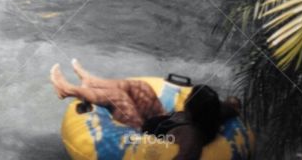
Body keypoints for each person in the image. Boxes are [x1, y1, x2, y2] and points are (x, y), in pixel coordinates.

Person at [50, 60, 241, 160]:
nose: (186, 98)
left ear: (192, 107)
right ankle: (92, 82)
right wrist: (233, 103)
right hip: (160, 119)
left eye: (189, 98)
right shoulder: (215, 113)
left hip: (139, 132)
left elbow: (187, 156)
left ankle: (68, 90)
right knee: (140, 87)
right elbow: (234, 104)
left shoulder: (191, 135)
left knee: (119, 98)